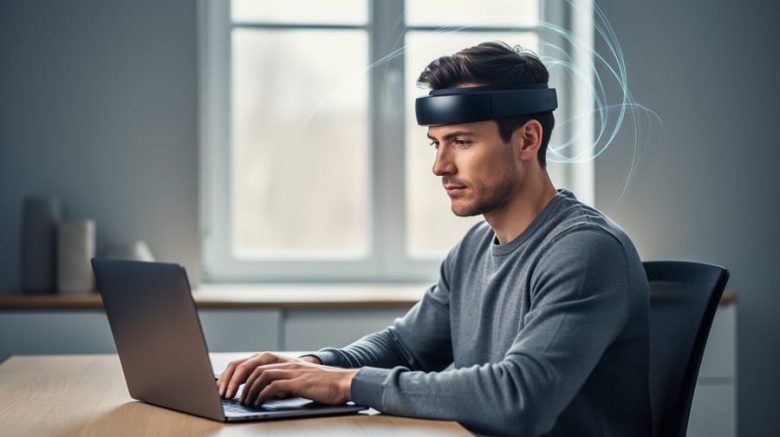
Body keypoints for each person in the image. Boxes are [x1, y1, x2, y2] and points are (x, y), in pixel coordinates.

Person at [216, 41, 652, 437]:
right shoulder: (473, 249)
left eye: (461, 142)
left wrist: (348, 383)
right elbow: (405, 346)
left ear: (527, 139)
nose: (440, 166)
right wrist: (313, 366)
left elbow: (520, 399)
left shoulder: (587, 251)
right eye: (435, 144)